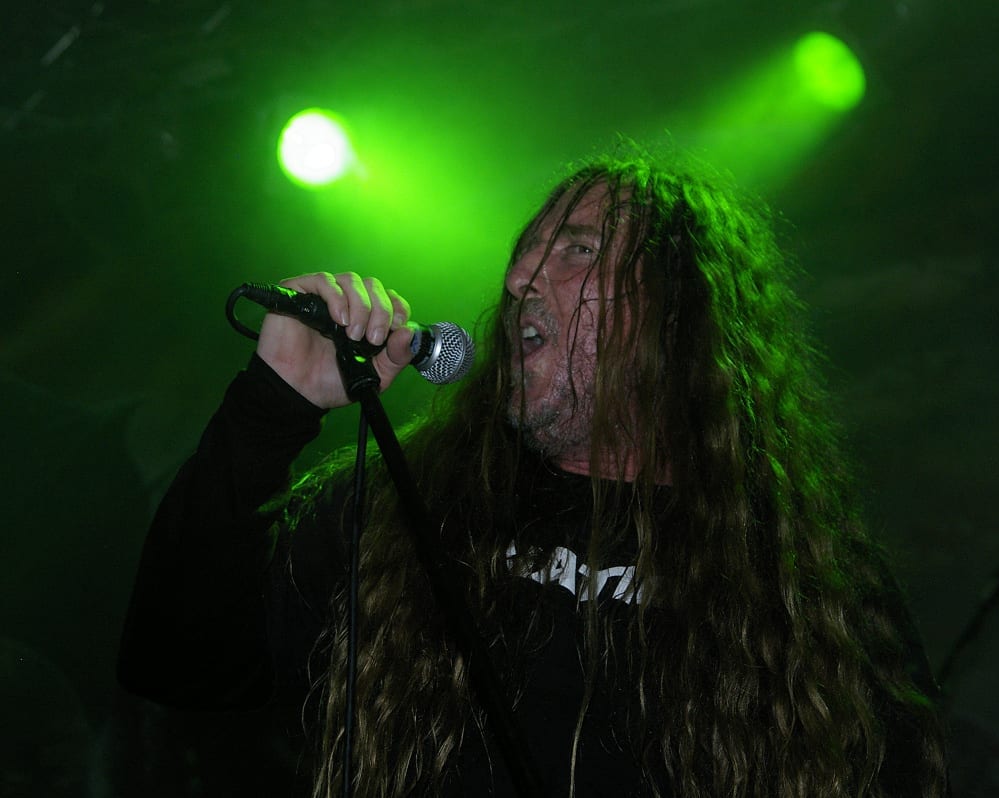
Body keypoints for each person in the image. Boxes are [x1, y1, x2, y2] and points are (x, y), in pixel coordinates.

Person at [118, 151, 950, 797]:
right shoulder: (416, 505)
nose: (519, 279)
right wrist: (271, 408)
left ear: (682, 313)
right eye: (523, 257)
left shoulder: (799, 575)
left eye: (577, 251)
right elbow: (176, 662)